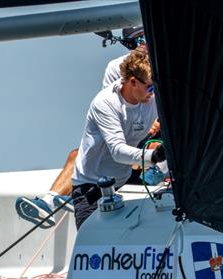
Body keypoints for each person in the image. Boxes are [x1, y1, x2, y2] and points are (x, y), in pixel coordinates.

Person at [15, 26, 157, 228]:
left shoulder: (155, 82)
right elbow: (116, 141)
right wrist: (153, 155)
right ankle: (51, 201)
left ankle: (54, 199)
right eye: (137, 41)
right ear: (132, 81)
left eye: (144, 38)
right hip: (102, 173)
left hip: (128, 167)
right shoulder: (109, 90)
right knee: (79, 153)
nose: (142, 44)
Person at [71, 49, 165, 229]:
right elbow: (118, 151)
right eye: (150, 88)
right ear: (132, 82)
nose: (152, 93)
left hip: (124, 183)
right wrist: (155, 156)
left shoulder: (149, 97)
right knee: (93, 253)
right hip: (92, 188)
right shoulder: (106, 102)